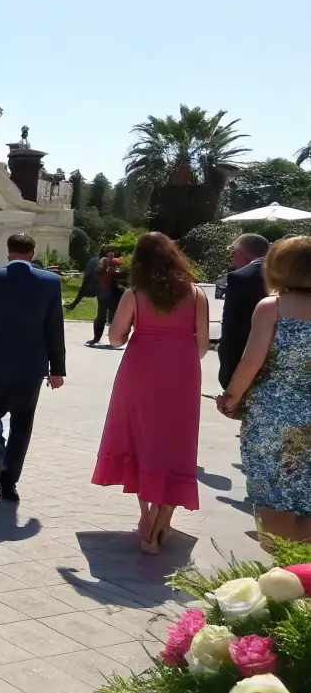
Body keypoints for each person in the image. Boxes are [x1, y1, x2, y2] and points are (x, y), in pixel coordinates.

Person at [91, 233, 209, 553]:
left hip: (140, 371)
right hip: (183, 373)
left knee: (139, 436)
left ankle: (147, 512)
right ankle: (162, 515)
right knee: (175, 440)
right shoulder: (197, 294)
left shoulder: (135, 294)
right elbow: (202, 346)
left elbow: (115, 339)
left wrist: (137, 330)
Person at [218, 236, 311, 546]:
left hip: (271, 417)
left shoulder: (272, 307)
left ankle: (280, 571)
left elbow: (251, 361)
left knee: (273, 493)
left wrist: (231, 397)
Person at [0, 233, 66, 503]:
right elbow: (54, 328)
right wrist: (57, 368)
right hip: (32, 365)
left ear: (8, 252)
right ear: (32, 254)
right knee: (22, 423)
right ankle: (8, 485)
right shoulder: (50, 282)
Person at [218, 233, 271, 388]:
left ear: (239, 253)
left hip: (244, 368)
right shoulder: (280, 274)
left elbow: (232, 333)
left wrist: (229, 381)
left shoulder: (240, 279)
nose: (232, 259)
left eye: (233, 253)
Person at [83, 246, 122, 346]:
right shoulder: (103, 262)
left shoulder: (118, 262)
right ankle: (96, 339)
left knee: (113, 317)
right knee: (101, 317)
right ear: (106, 253)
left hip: (114, 293)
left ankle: (114, 340)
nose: (111, 253)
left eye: (113, 251)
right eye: (109, 251)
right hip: (104, 292)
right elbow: (96, 274)